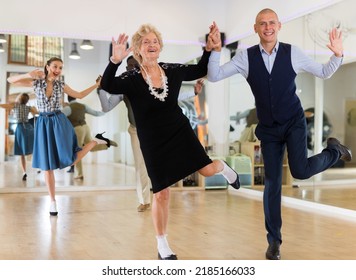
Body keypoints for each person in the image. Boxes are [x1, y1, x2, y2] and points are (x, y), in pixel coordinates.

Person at [207, 9, 352, 260]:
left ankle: (334, 152)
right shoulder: (245, 57)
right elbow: (215, 75)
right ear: (255, 28)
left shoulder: (292, 52)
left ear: (279, 26)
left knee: (300, 171)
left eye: (271, 22)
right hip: (269, 130)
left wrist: (337, 54)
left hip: (294, 122)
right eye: (262, 24)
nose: (267, 27)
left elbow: (324, 72)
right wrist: (216, 50)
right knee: (272, 184)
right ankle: (274, 242)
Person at [100, 23, 240, 260]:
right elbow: (107, 85)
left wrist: (209, 49)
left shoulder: (172, 71)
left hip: (179, 131)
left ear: (160, 46)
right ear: (137, 49)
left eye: (155, 41)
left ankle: (223, 168)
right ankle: (162, 244)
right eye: (146, 42)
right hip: (153, 142)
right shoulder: (130, 78)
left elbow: (201, 69)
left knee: (206, 170)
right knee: (161, 193)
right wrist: (114, 62)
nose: (151, 45)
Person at [98, 55, 205, 212]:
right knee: (141, 166)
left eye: (136, 64)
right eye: (130, 65)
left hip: (159, 130)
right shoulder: (125, 85)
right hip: (136, 131)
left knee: (164, 161)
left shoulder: (155, 78)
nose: (133, 67)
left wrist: (193, 93)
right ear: (127, 68)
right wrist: (100, 89)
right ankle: (144, 200)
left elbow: (172, 97)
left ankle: (163, 193)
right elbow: (106, 107)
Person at [7, 57, 111, 216]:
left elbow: (80, 95)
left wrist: (96, 85)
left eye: (60, 68)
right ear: (48, 67)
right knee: (47, 166)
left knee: (69, 158)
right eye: (55, 66)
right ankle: (53, 202)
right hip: (42, 123)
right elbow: (10, 80)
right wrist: (28, 74)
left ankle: (93, 142)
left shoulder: (61, 85)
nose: (58, 70)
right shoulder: (36, 83)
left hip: (59, 122)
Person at [62, 95, 118, 180]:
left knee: (77, 152)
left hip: (77, 129)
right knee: (90, 148)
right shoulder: (83, 106)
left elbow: (58, 118)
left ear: (68, 99)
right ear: (75, 98)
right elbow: (96, 113)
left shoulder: (68, 108)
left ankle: (79, 174)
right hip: (86, 128)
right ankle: (107, 143)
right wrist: (106, 110)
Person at [0, 93, 38, 180]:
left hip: (20, 129)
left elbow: (4, 106)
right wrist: (35, 110)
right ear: (27, 100)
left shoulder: (15, 106)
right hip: (29, 128)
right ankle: (37, 168)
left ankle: (24, 172)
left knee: (22, 153)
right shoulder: (28, 108)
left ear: (19, 99)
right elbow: (36, 113)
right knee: (33, 150)